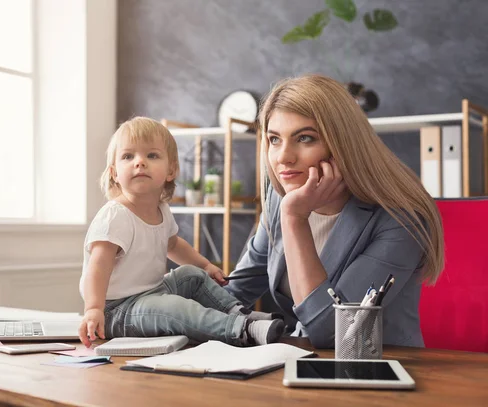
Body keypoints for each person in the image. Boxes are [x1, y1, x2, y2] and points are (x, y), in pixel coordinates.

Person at [225, 74, 444, 348]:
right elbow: (238, 290)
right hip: (300, 363)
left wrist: (295, 219)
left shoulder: (400, 217)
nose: (283, 157)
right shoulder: (279, 197)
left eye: (305, 138)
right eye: (274, 139)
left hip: (378, 371)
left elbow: (332, 332)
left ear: (343, 143)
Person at [78, 117, 284, 347]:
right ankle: (240, 329)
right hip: (117, 310)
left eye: (152, 155)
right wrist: (94, 309)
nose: (139, 162)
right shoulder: (115, 215)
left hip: (152, 292)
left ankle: (239, 314)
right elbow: (98, 266)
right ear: (114, 173)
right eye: (128, 156)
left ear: (171, 170)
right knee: (174, 308)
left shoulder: (162, 210)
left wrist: (205, 266)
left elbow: (174, 245)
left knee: (191, 275)